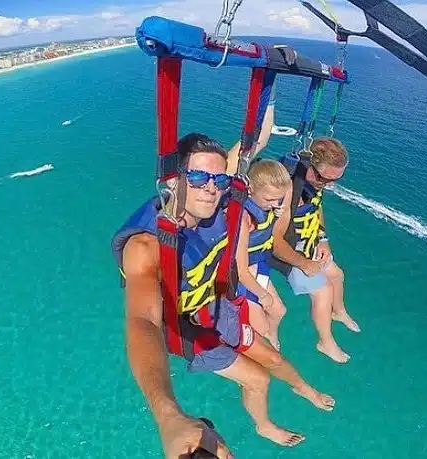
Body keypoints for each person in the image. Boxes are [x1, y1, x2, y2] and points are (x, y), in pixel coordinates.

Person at [112, 133, 335, 457]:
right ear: (173, 181)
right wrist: (168, 415)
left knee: (273, 357)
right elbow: (143, 320)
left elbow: (254, 139)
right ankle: (264, 425)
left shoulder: (221, 202)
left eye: (218, 178)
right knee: (259, 379)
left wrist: (265, 85)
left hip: (216, 306)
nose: (211, 186)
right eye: (199, 176)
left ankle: (305, 389)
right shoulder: (147, 245)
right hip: (184, 326)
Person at [270, 137, 360, 364]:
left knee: (337, 275)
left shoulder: (316, 184)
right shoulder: (289, 190)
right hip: (285, 251)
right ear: (309, 165)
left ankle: (338, 312)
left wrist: (323, 238)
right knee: (323, 291)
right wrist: (304, 264)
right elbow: (275, 242)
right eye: (323, 178)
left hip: (308, 242)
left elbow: (316, 209)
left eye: (333, 181)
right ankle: (325, 343)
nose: (327, 184)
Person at [234, 159, 290, 350]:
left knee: (279, 311)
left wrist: (275, 213)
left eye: (278, 199)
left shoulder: (268, 209)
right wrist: (263, 295)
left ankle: (270, 336)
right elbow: (240, 271)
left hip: (256, 265)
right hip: (239, 279)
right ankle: (257, 347)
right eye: (269, 199)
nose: (275, 204)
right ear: (250, 190)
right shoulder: (243, 219)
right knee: (259, 327)